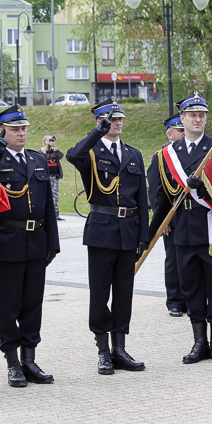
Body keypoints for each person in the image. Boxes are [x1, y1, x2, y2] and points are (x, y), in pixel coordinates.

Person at [0, 105, 60, 387]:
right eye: (15, 129)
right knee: (9, 305)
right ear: (2, 131)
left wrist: (53, 242)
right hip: (8, 241)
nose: (21, 133)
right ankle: (12, 362)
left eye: (24, 128)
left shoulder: (37, 159)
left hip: (36, 241)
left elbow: (48, 205)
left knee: (33, 304)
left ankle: (29, 359)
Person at [67, 98, 149, 375]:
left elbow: (142, 198)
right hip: (102, 231)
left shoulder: (133, 154)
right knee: (100, 293)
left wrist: (143, 235)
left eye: (120, 118)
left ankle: (120, 349)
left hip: (128, 230)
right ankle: (103, 350)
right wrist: (96, 133)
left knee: (124, 292)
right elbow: (73, 156)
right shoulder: (91, 152)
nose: (118, 123)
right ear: (100, 121)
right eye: (112, 119)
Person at [149, 92, 212, 365]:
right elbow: (162, 199)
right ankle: (199, 343)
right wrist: (149, 235)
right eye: (192, 115)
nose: (197, 119)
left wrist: (205, 189)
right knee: (192, 288)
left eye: (202, 115)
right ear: (182, 119)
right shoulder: (168, 154)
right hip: (183, 231)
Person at [146, 113, 187, 317]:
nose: (183, 133)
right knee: (173, 260)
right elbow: (155, 191)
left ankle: (190, 298)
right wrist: (162, 220)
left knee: (191, 260)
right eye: (179, 131)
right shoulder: (162, 157)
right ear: (170, 134)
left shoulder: (191, 153)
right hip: (172, 216)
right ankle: (175, 301)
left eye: (184, 130)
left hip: (192, 215)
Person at [39, 135, 65, 221]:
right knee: (45, 195)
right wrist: (46, 148)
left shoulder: (54, 151)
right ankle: (45, 214)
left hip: (54, 176)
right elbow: (41, 157)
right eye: (48, 140)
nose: (50, 142)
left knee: (55, 195)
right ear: (44, 142)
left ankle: (55, 214)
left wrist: (54, 147)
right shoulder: (41, 151)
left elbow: (61, 156)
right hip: (45, 176)